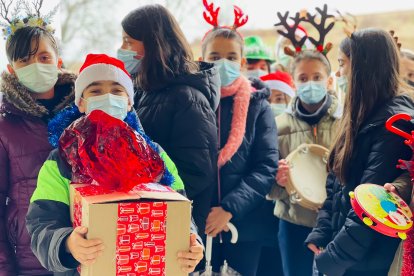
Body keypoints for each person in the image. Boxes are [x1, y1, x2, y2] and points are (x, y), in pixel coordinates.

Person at [26, 54, 204, 275]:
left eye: (117, 90)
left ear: (129, 101)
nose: (108, 97)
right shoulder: (61, 160)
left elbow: (180, 210)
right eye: (96, 90)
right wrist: (67, 244)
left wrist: (192, 241)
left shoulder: (155, 155)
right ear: (81, 102)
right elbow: (42, 223)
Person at [305, 28, 414, 276]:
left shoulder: (394, 124)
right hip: (345, 253)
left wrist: (332, 259)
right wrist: (322, 233)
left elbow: (370, 206)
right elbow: (336, 183)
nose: (339, 73)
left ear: (365, 67)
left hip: (367, 262)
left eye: (343, 64)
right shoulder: (359, 114)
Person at [118, 5, 219, 236]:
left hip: (170, 221)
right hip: (140, 213)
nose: (121, 49)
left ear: (154, 44)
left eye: (128, 41)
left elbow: (195, 171)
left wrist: (144, 192)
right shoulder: (142, 89)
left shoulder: (187, 97)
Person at [200, 2, 278, 275]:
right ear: (202, 58)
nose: (224, 63)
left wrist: (229, 209)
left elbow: (266, 166)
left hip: (244, 226)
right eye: (215, 55)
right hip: (197, 224)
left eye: (232, 57)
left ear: (242, 62)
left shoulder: (259, 106)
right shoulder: (191, 102)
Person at [0, 13, 76, 275]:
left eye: (44, 57)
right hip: (30, 258)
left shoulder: (84, 113)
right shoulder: (4, 125)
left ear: (58, 62)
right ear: (11, 69)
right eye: (24, 59)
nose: (36, 64)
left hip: (85, 249)